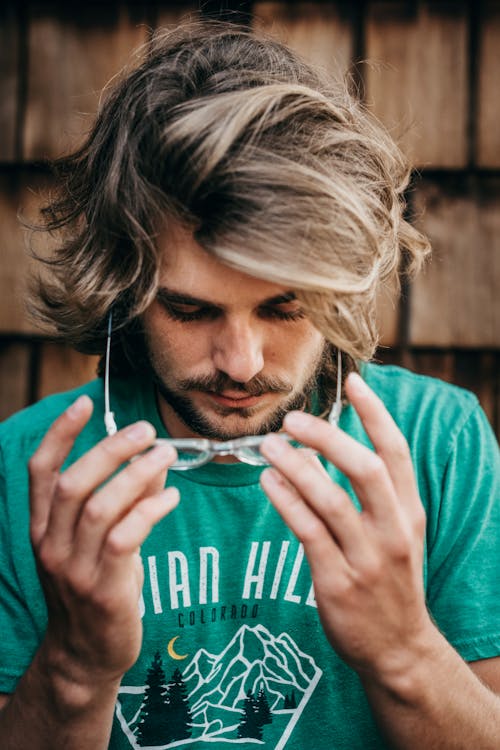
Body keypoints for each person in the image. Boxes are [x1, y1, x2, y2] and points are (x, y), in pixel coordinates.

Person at [0, 20, 499, 750]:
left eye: (284, 307)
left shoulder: (440, 444)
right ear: (124, 289)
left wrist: (405, 652)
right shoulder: (29, 468)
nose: (240, 360)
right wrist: (75, 668)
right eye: (190, 309)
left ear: (339, 292)